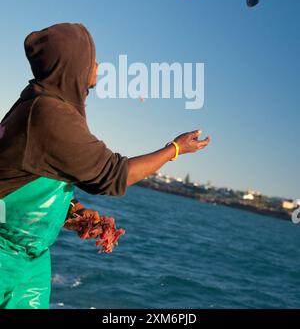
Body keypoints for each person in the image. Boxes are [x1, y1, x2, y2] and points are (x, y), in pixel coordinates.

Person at [0, 22, 210, 309]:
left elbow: (28, 175)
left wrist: (73, 212)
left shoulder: (42, 104)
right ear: (73, 64)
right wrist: (174, 149)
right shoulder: (48, 114)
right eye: (92, 60)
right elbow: (113, 176)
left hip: (29, 259)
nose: (98, 66)